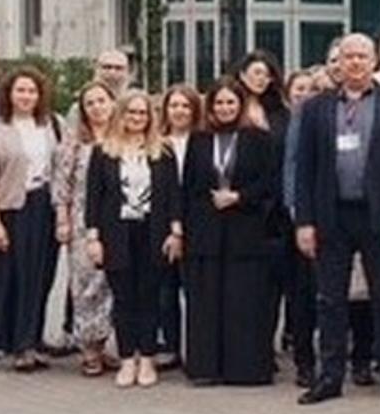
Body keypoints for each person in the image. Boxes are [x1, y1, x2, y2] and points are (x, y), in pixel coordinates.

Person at [291, 33, 380, 406]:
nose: (354, 63)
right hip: (331, 214)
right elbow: (304, 169)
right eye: (347, 56)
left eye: (362, 56)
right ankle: (330, 377)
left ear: (373, 61)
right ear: (338, 62)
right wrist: (304, 222)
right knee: (330, 300)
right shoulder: (316, 107)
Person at [181, 80, 279, 386]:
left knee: (243, 302)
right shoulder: (199, 140)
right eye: (219, 103)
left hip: (246, 229)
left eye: (230, 103)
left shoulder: (259, 139)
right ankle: (206, 368)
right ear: (211, 107)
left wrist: (239, 197)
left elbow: (270, 182)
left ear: (241, 105)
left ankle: (245, 370)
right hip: (206, 230)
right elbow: (190, 186)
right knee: (206, 301)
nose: (225, 109)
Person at [84, 90, 183, 388]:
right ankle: (128, 358)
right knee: (124, 297)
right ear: (121, 114)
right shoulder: (103, 152)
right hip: (116, 233)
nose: (137, 118)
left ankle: (148, 359)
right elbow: (94, 198)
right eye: (131, 112)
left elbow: (173, 195)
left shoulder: (163, 151)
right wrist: (93, 238)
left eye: (142, 113)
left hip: (153, 232)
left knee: (150, 298)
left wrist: (176, 232)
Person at [0, 67, 62, 372]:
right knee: (13, 278)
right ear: (8, 94)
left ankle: (33, 338)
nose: (26, 96)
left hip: (44, 207)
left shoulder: (52, 125)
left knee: (40, 276)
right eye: (20, 90)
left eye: (32, 91)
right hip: (11, 208)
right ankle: (17, 344)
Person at [51, 81, 117, 377]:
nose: (97, 107)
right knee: (87, 285)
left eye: (102, 100)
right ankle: (89, 348)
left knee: (112, 286)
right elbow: (61, 187)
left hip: (118, 221)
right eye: (90, 103)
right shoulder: (73, 145)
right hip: (81, 222)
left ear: (112, 103)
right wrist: (62, 220)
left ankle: (103, 344)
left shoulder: (122, 138)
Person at [156, 84, 202, 369]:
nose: (180, 111)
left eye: (186, 106)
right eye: (174, 105)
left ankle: (195, 348)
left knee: (195, 288)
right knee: (165, 288)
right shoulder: (157, 143)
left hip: (197, 223)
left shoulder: (203, 141)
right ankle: (170, 345)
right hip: (162, 223)